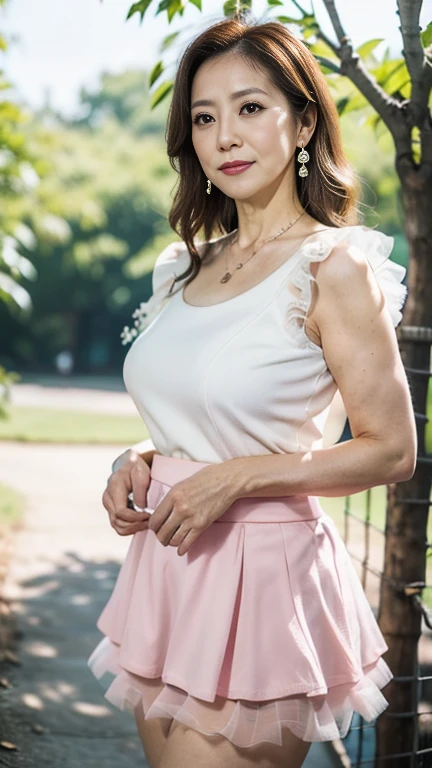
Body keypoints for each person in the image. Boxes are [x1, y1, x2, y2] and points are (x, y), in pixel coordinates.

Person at [87, 14, 417, 768]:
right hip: (165, 569)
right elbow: (200, 416)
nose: (226, 135)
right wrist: (134, 458)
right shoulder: (183, 267)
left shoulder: (333, 267)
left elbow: (392, 450)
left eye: (250, 108)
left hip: (258, 579)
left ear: (303, 124)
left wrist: (236, 479)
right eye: (205, 118)